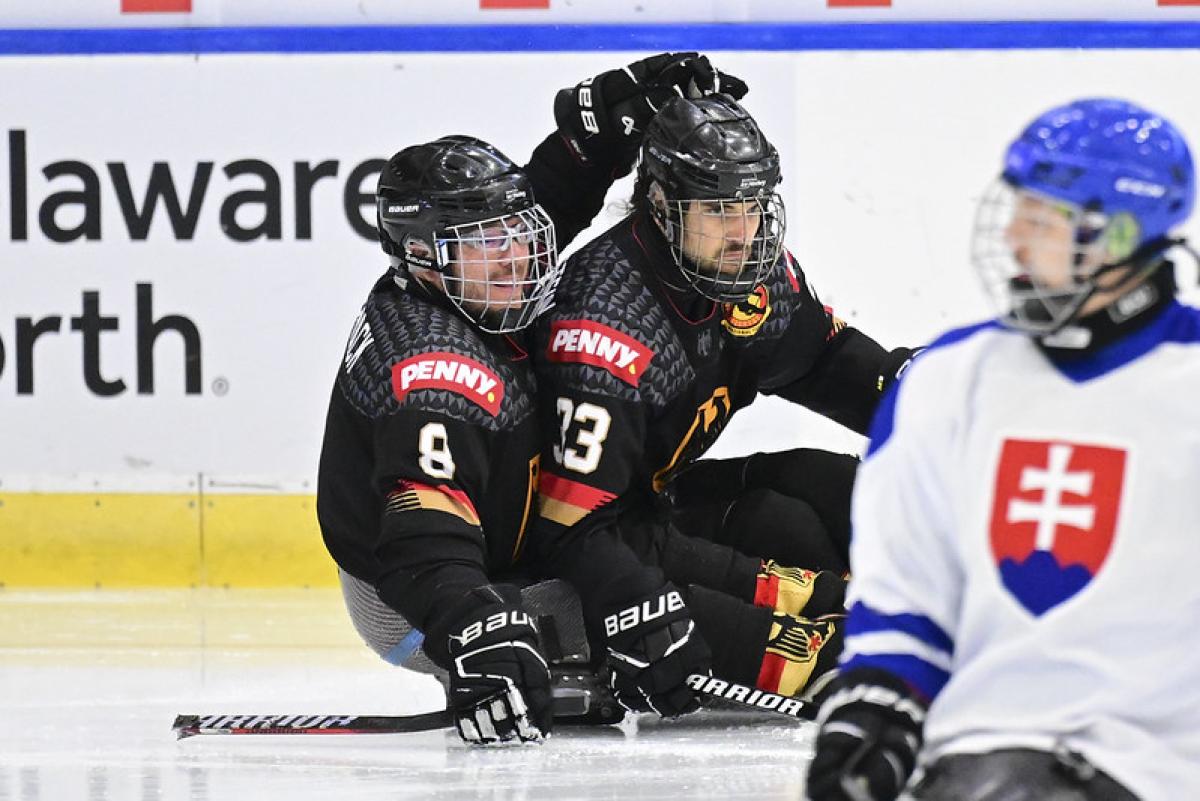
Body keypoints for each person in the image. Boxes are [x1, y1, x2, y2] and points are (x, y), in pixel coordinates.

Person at [315, 53, 740, 746]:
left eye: (517, 233)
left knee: (650, 565)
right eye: (492, 242)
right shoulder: (431, 369)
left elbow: (549, 199)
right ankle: (549, 660)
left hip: (483, 548)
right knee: (650, 608)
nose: (518, 256)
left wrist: (605, 126)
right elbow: (422, 539)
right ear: (423, 256)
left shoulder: (465, 281)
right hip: (410, 596)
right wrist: (473, 627)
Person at [805, 97, 1198, 801]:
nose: (1014, 238)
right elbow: (908, 596)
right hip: (982, 759)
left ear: (1118, 237)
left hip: (1165, 766)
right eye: (1017, 210)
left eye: (1043, 221)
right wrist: (878, 704)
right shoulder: (948, 381)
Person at [529, 92, 918, 718]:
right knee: (824, 656)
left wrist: (923, 399)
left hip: (646, 507)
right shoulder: (605, 324)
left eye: (752, 205)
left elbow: (822, 360)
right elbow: (572, 527)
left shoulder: (743, 272)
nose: (744, 230)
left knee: (830, 494)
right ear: (661, 205)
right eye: (717, 209)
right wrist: (647, 613)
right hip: (576, 553)